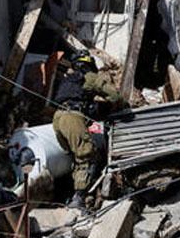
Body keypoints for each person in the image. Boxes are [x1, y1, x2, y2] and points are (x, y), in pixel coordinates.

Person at [52, 50, 125, 209]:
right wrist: (121, 107)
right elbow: (114, 96)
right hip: (72, 118)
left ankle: (71, 192)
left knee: (75, 156)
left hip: (57, 119)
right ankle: (79, 199)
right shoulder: (89, 77)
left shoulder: (68, 80)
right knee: (86, 155)